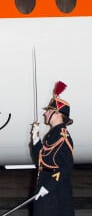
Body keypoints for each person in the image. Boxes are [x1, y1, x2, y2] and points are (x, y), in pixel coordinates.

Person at [31, 81, 75, 216]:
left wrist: (48, 186)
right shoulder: (53, 134)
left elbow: (66, 167)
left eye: (48, 111)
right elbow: (42, 160)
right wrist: (35, 139)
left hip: (55, 191)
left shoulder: (63, 136)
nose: (45, 114)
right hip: (46, 186)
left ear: (57, 114)